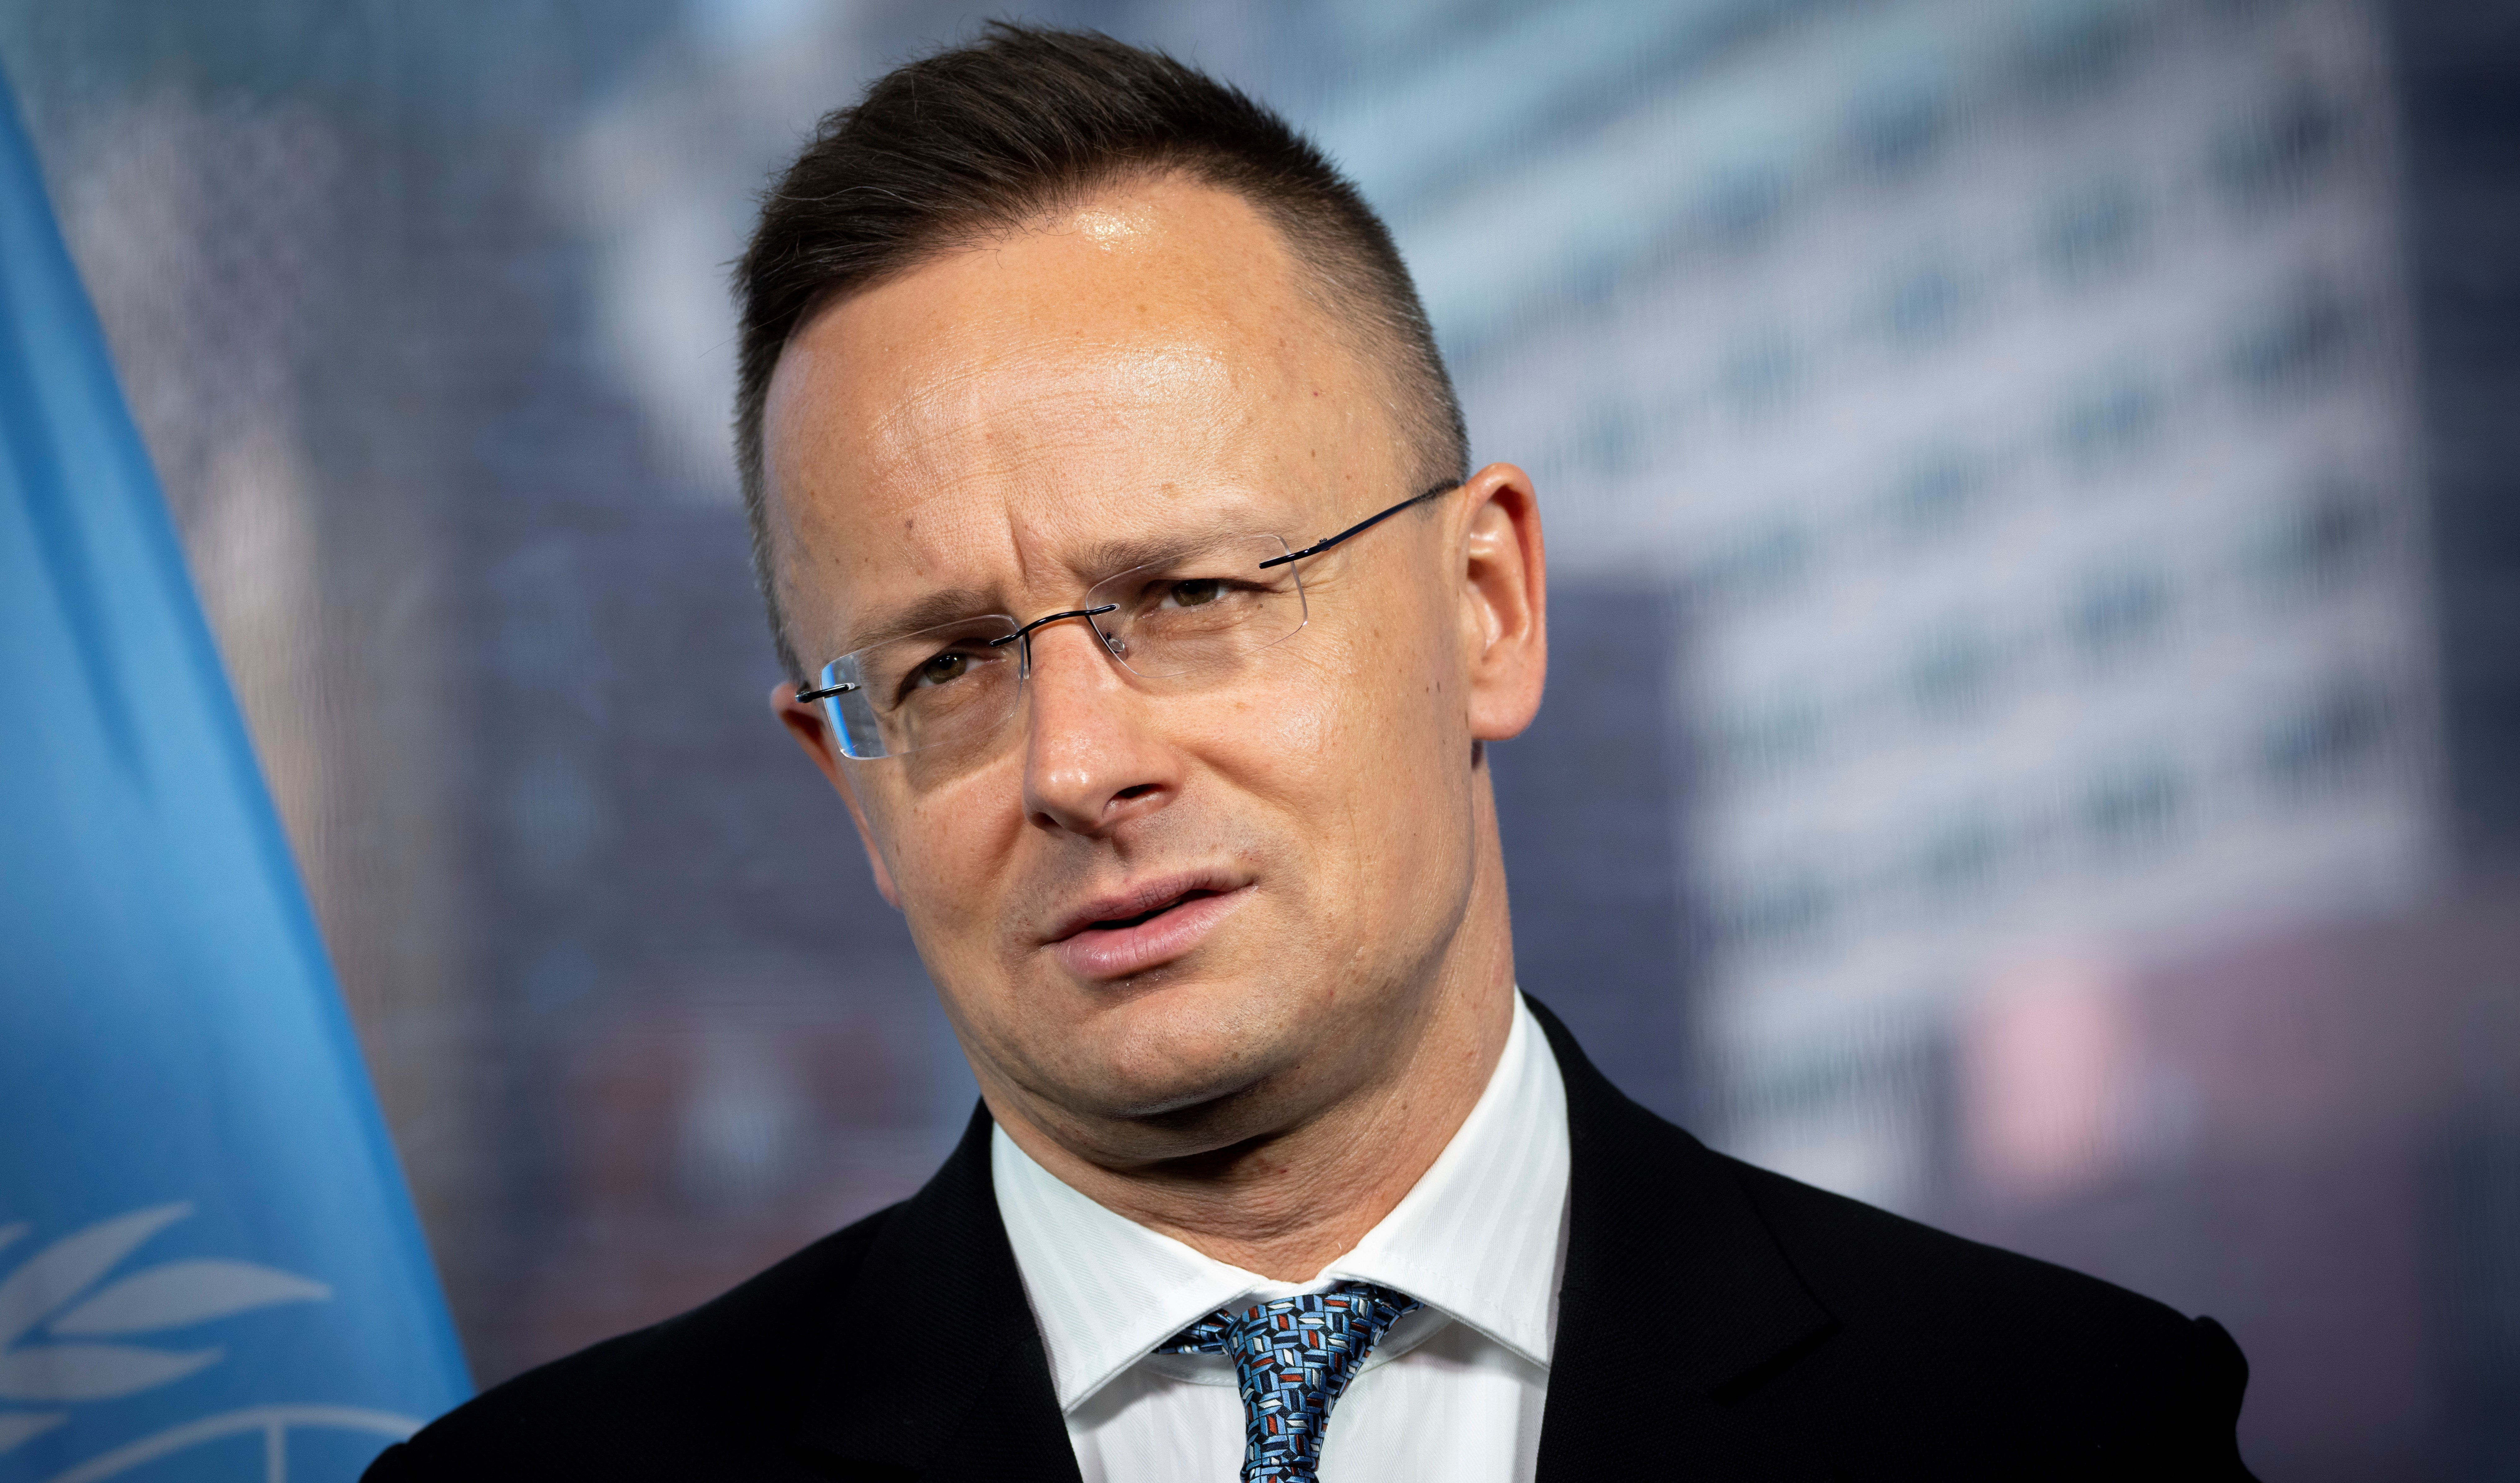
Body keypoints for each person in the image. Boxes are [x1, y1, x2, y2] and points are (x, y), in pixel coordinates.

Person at [367, 24, 2255, 1483]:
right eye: (946, 666)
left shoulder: (2062, 1429)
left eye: (1186, 593)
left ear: (1485, 608)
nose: (1077, 761)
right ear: (844, 781)